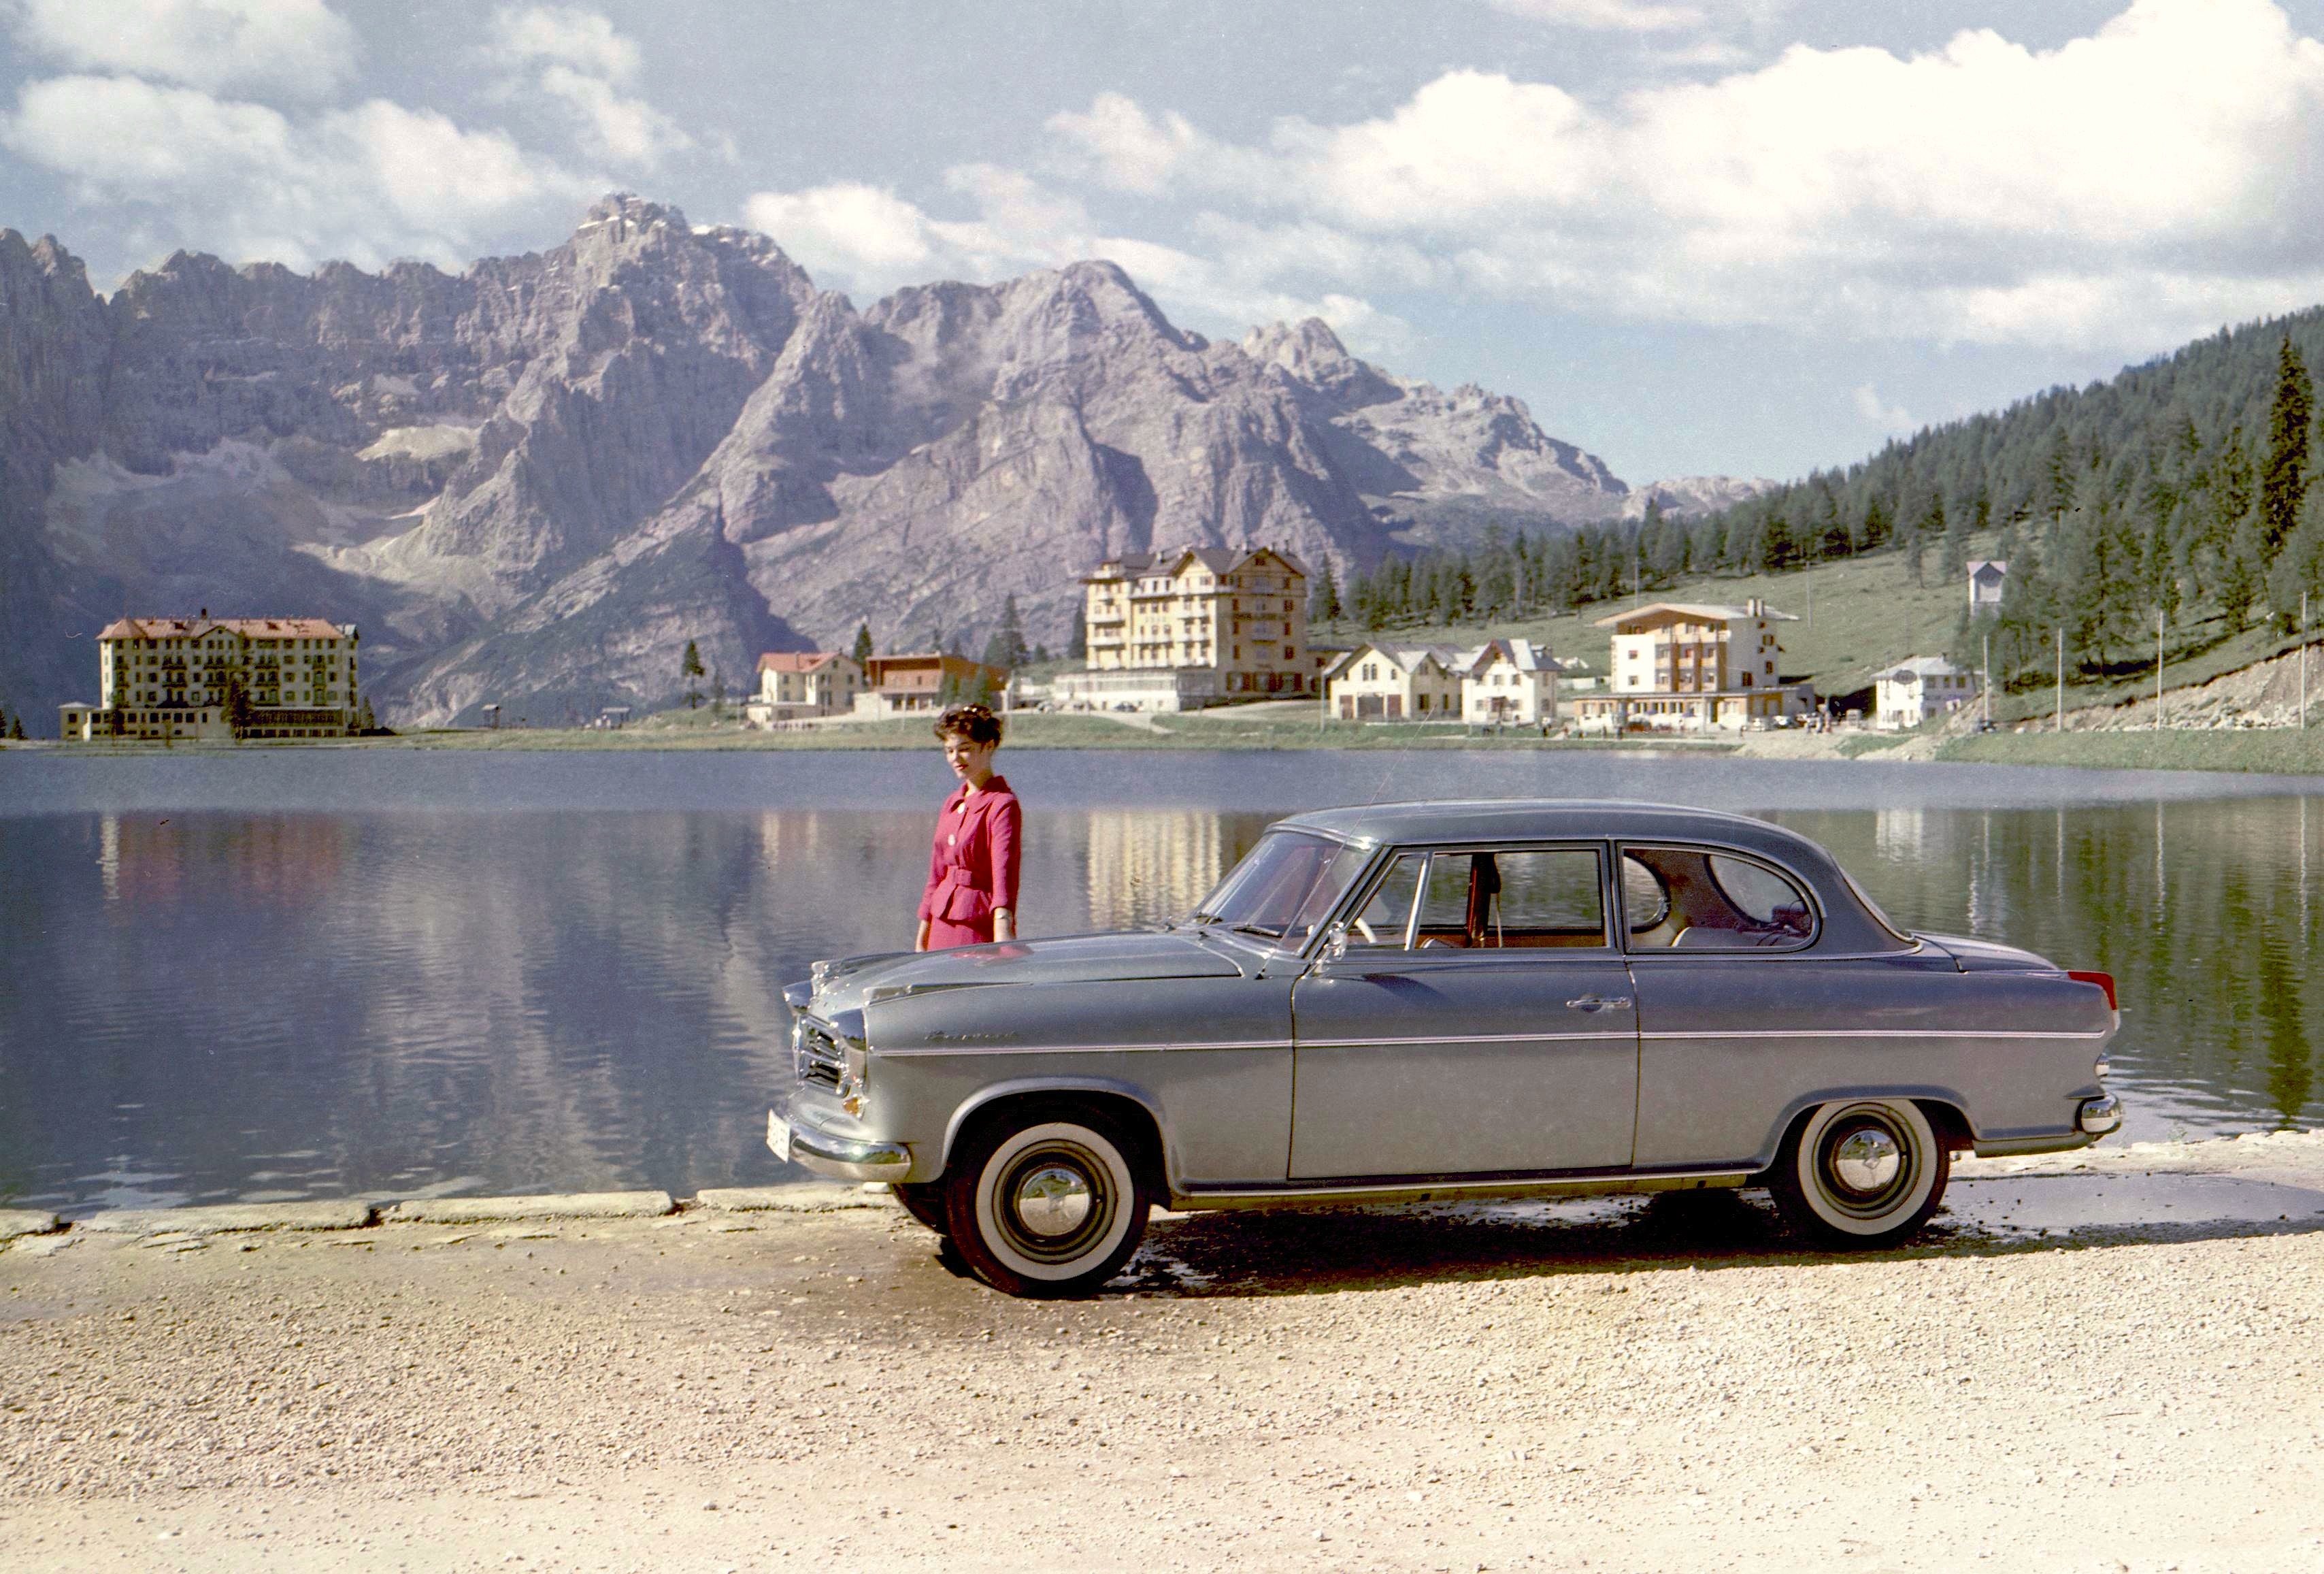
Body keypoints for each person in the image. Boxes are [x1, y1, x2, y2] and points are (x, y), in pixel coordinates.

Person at [916, 703, 1020, 949]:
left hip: (976, 924)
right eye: (949, 750)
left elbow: (1005, 876)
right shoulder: (952, 803)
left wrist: (1003, 935)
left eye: (965, 749)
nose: (955, 758)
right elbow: (936, 874)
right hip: (940, 922)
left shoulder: (1003, 804)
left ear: (989, 746)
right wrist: (923, 932)